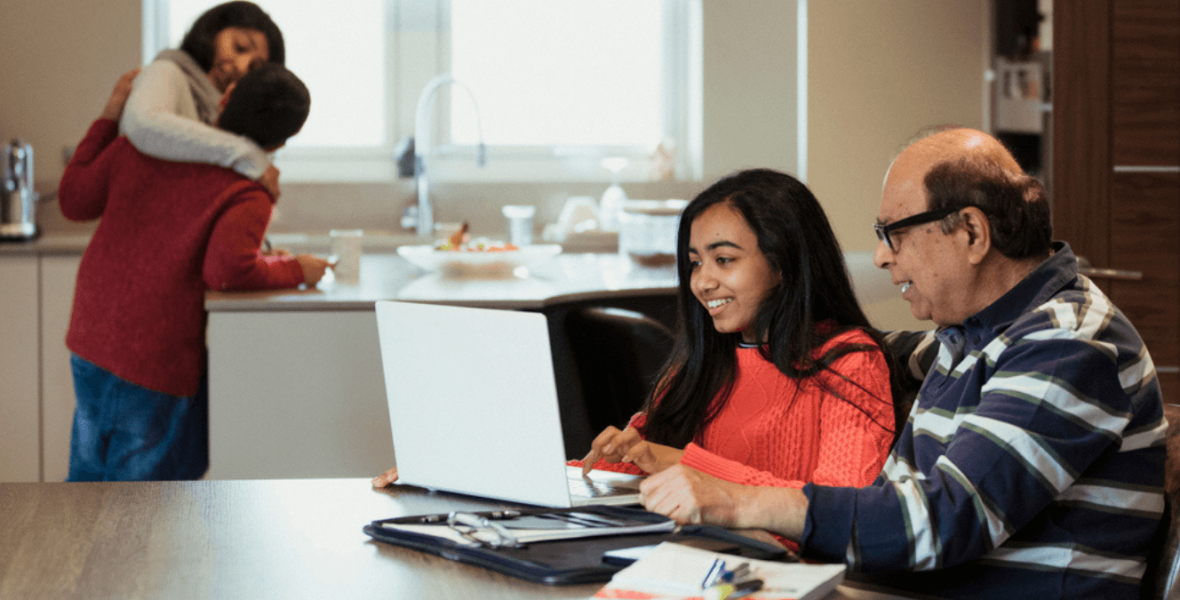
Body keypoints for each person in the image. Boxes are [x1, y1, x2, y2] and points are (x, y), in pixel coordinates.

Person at [637, 128, 1167, 599]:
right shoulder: (972, 336)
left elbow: (945, 520)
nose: (882, 256)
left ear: (972, 234)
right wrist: (762, 319)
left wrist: (737, 502)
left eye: (895, 233)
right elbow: (852, 351)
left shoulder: (1066, 343)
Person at [373, 169, 902, 505]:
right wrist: (453, 470)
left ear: (784, 263)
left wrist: (683, 462)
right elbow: (618, 468)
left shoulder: (850, 363)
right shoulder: (705, 359)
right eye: (695, 263)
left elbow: (843, 509)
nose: (702, 281)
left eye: (724, 260)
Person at [58, 64, 329, 481]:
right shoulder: (246, 189)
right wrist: (296, 268)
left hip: (92, 332)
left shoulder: (142, 146)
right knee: (140, 504)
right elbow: (227, 269)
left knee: (90, 476)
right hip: (152, 351)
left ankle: (77, 548)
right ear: (281, 142)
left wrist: (110, 114)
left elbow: (74, 200)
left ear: (224, 98)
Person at [122, 1, 285, 196]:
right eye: (240, 47)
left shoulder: (230, 125)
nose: (242, 67)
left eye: (255, 68)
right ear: (213, 31)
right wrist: (246, 155)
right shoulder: (167, 70)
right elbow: (142, 124)